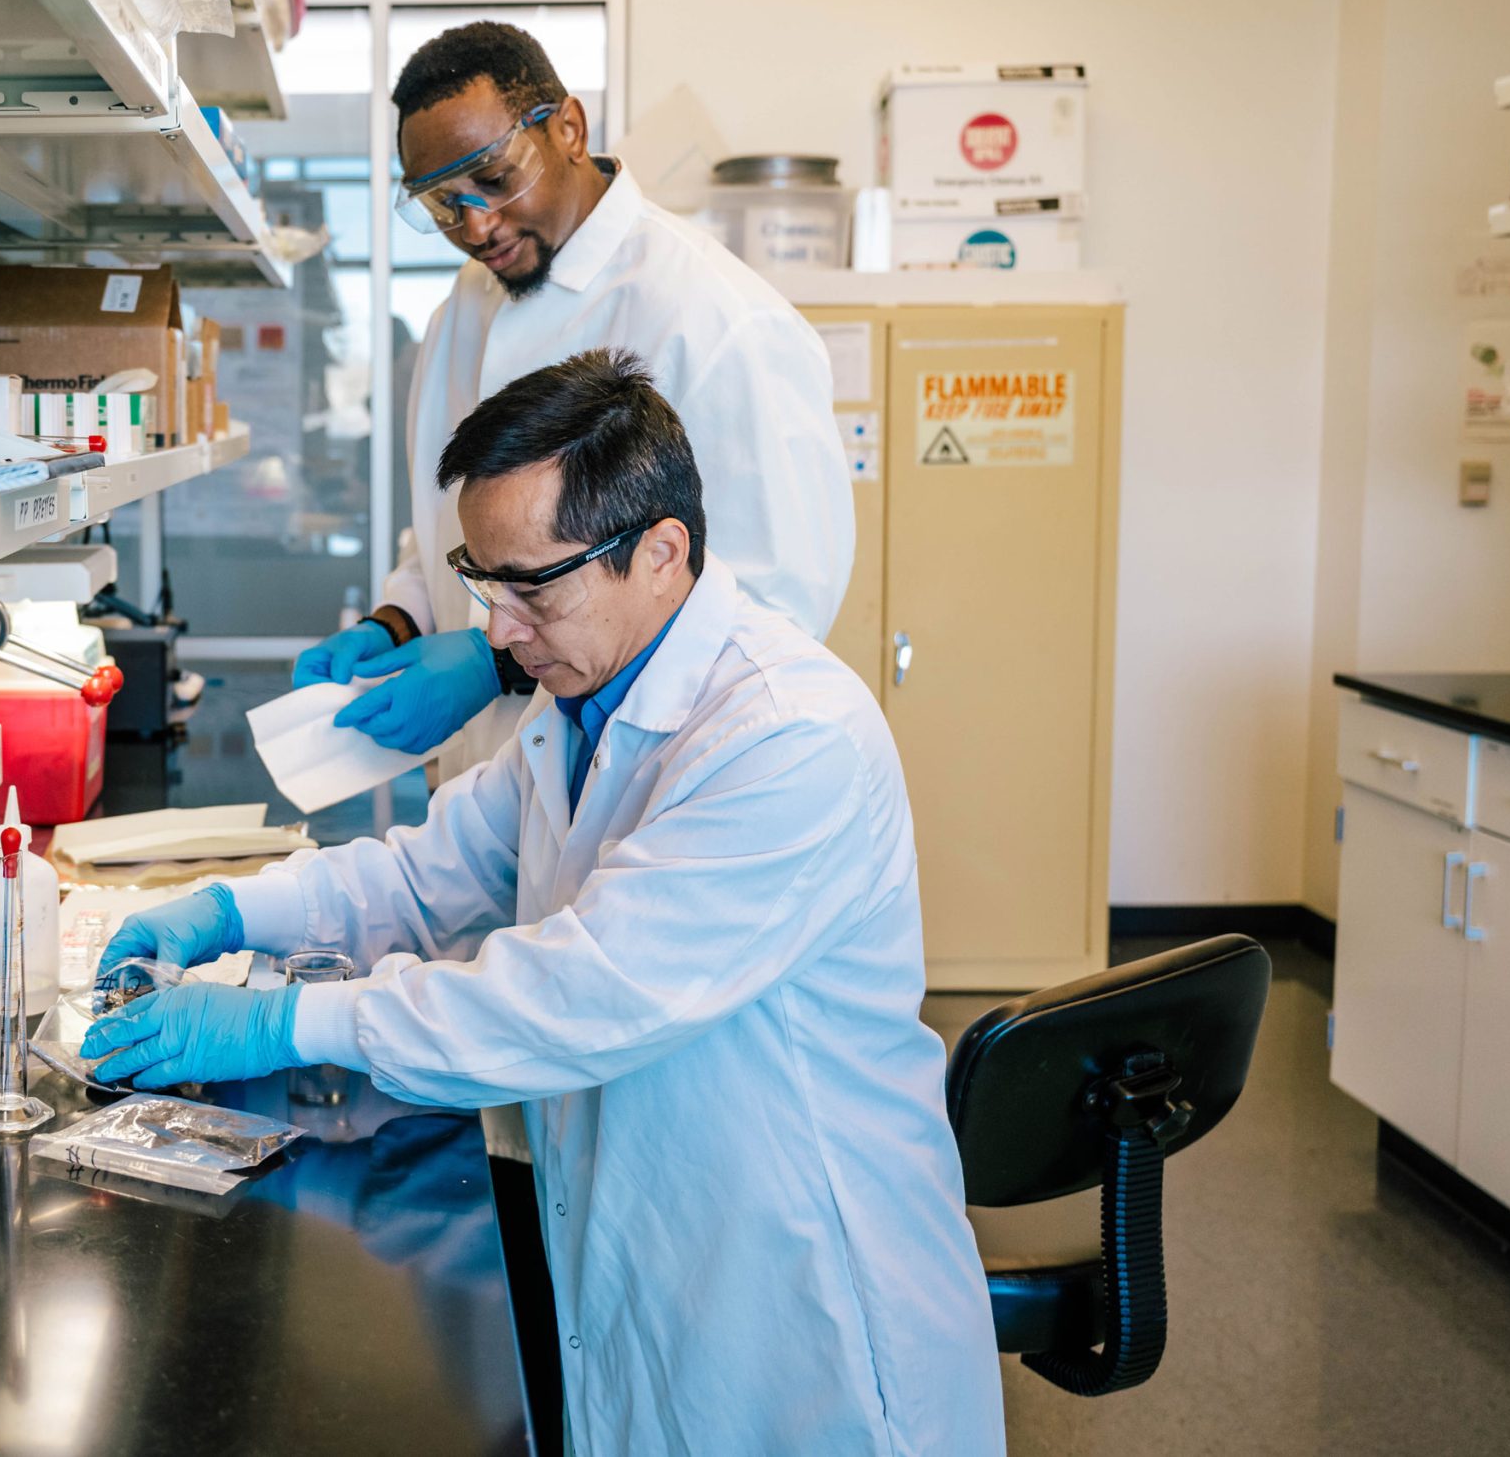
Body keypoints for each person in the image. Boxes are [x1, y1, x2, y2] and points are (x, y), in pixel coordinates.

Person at [84, 352, 1003, 1456]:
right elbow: (426, 876)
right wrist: (230, 908)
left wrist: (284, 1022)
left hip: (804, 1290)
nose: (501, 632)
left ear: (662, 554)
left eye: (533, 586)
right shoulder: (582, 702)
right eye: (485, 583)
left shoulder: (783, 737)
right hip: (657, 1236)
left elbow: (573, 997)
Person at [298, 20, 852, 783]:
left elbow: (771, 603)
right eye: (441, 204)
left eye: (494, 179)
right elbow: (448, 528)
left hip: (635, 786)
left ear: (567, 127)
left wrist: (501, 667)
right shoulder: (460, 312)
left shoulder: (716, 317)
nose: (476, 225)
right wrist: (398, 621)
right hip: (480, 793)